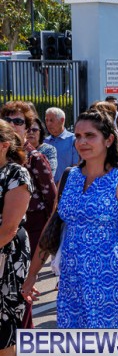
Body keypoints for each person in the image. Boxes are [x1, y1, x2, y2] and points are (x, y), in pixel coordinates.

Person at [22, 110, 118, 356]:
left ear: (109, 140)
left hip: (107, 281)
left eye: (90, 135)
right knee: (69, 351)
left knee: (93, 354)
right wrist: (32, 273)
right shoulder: (72, 176)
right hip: (71, 279)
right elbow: (52, 228)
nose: (82, 142)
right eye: (78, 136)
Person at [2, 102, 57, 329]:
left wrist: (48, 236)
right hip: (7, 227)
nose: (14, 125)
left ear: (27, 126)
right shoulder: (5, 154)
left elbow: (52, 199)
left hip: (31, 228)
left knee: (22, 286)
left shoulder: (34, 158)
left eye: (19, 121)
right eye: (9, 120)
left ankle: (17, 345)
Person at [0, 121, 32, 356]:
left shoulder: (15, 173)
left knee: (2, 326)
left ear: (4, 146)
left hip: (6, 255)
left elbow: (9, 228)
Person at [44, 107, 79, 183]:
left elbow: (76, 167)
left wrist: (61, 185)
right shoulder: (44, 142)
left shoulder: (73, 140)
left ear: (62, 120)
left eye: (51, 120)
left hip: (66, 186)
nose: (48, 124)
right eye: (46, 120)